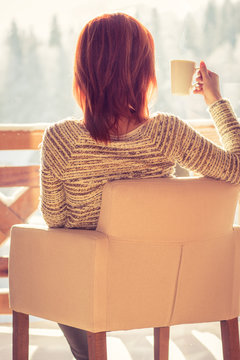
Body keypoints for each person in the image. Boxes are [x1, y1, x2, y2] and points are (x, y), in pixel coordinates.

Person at [40, 12, 240, 360]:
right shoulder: (166, 133)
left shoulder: (61, 140)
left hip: (90, 290)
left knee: (54, 259)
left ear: (83, 71)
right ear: (143, 71)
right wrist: (215, 100)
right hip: (162, 284)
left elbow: (55, 220)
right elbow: (236, 169)